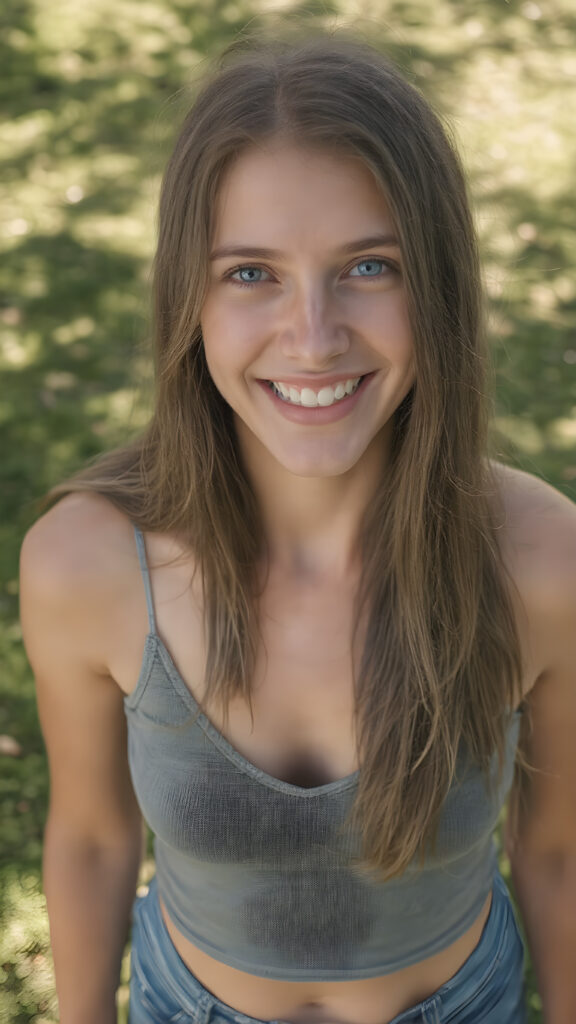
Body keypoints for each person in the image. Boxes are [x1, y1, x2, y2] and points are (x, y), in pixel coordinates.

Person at [19, 33, 576, 1024]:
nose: (313, 335)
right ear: (186, 294)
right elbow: (94, 837)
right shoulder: (89, 563)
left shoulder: (541, 562)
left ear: (437, 287)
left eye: (369, 265)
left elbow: (558, 849)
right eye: (250, 273)